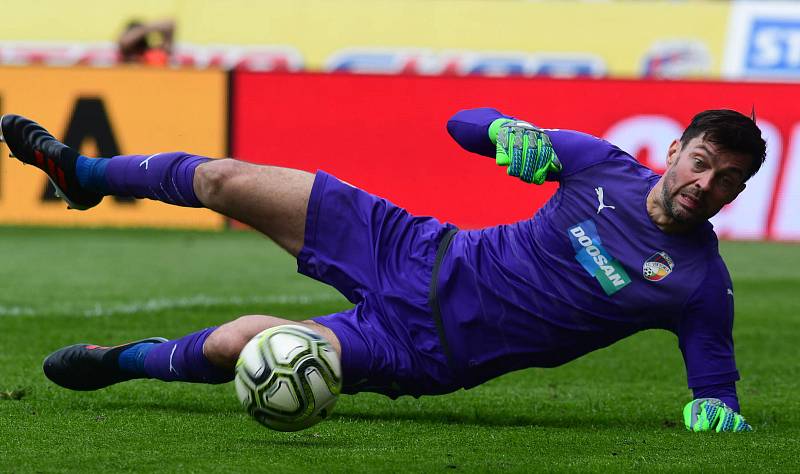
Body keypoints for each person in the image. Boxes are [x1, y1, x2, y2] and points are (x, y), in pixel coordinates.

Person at [0, 106, 764, 433]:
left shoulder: (700, 286)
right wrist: (504, 132)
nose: (705, 184)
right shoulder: (598, 163)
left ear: (737, 191)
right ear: (674, 151)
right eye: (701, 162)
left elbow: (714, 389)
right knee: (226, 178)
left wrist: (714, 411)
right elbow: (458, 124)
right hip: (415, 247)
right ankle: (83, 177)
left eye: (726, 180)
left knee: (244, 345)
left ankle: (120, 364)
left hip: (426, 350)